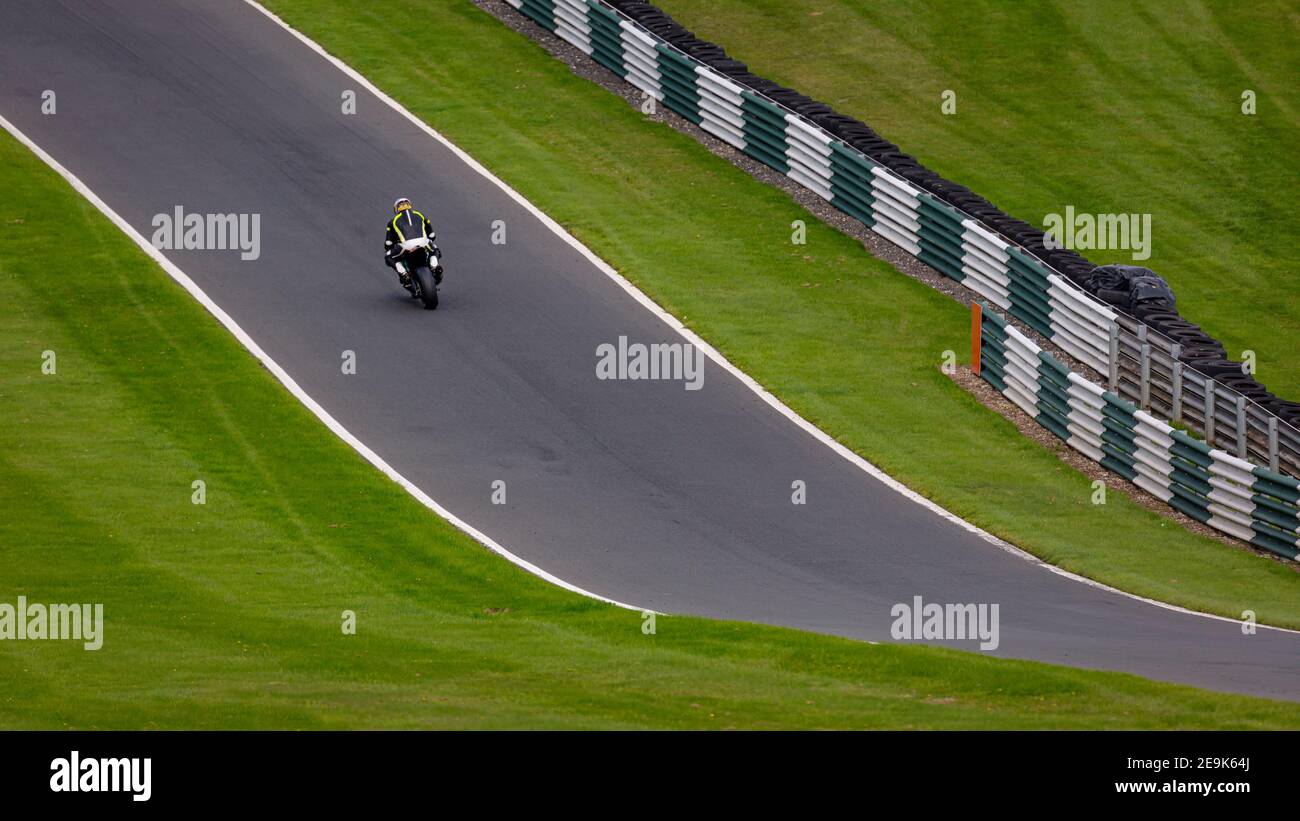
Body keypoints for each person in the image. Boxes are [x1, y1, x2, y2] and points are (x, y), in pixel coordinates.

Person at [384, 197, 442, 294]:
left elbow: (388, 243)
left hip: (406, 246)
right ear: (410, 205)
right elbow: (432, 235)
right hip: (423, 243)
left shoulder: (392, 222)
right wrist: (429, 241)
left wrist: (389, 248)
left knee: (388, 257)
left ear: (396, 209)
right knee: (435, 250)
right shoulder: (421, 215)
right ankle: (434, 266)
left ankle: (404, 273)